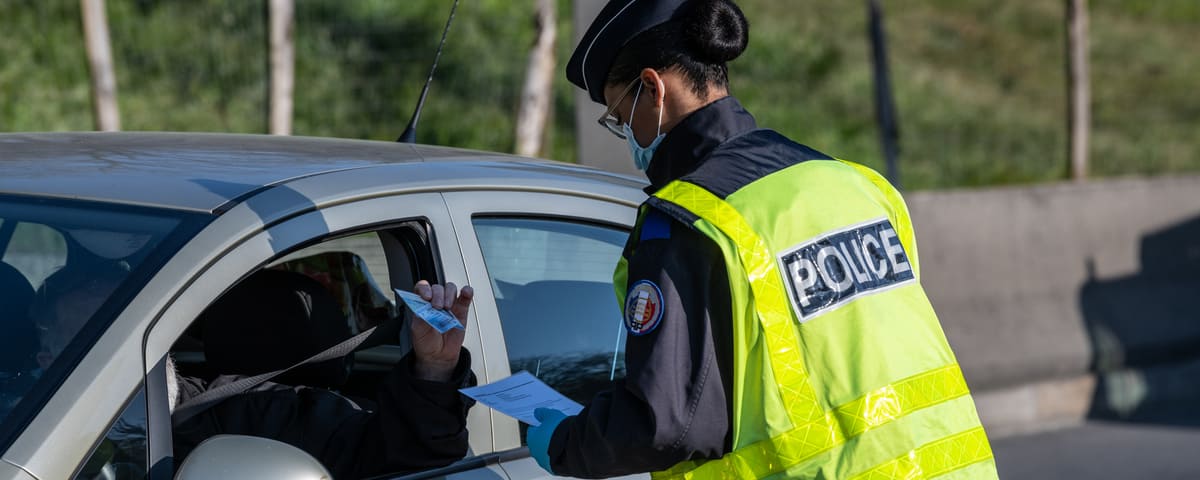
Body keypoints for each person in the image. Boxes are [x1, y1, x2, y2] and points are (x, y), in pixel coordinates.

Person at [525, 1, 999, 479]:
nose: (626, 132)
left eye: (620, 114)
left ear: (653, 89)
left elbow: (663, 422)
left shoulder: (687, 223)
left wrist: (567, 444)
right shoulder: (855, 183)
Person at [31, 263, 476, 479]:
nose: (56, 358)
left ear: (157, 336)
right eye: (52, 339)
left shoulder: (264, 413)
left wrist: (435, 370)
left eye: (95, 339)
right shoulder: (19, 420)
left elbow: (416, 470)